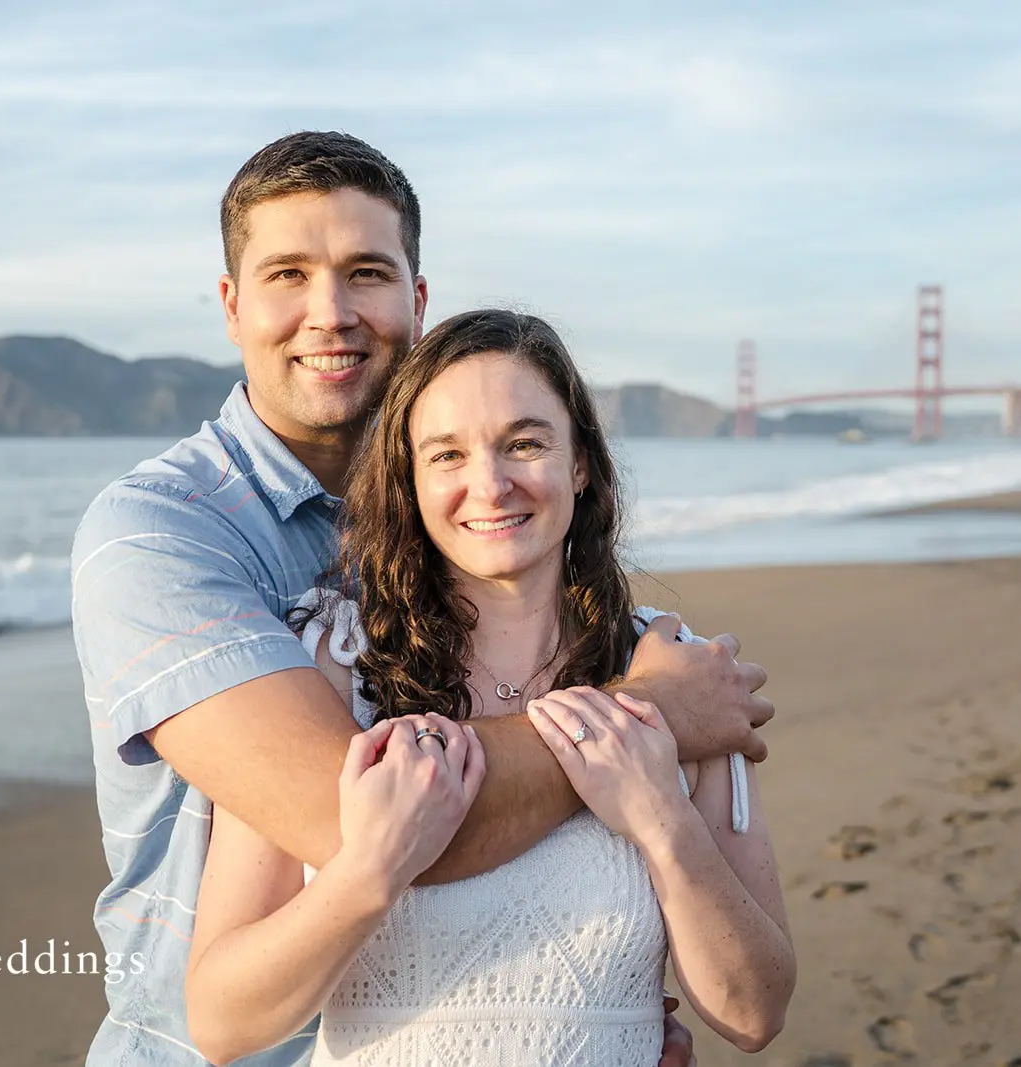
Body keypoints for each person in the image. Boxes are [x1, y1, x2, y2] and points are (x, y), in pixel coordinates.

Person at [70, 132, 774, 1067]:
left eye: (366, 271)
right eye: (288, 274)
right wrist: (652, 715)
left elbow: (748, 992)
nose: (331, 313)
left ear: (417, 298)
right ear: (233, 307)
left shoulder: (471, 548)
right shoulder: (158, 535)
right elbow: (362, 822)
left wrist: (599, 1006)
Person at [181, 310, 795, 1065]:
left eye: (525, 443)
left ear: (580, 464)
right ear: (409, 480)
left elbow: (755, 1011)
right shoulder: (331, 666)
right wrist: (371, 872)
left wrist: (664, 823)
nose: (490, 484)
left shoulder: (674, 671)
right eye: (446, 455)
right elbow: (220, 1020)